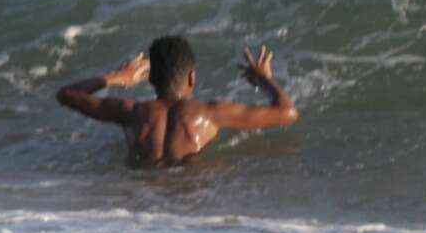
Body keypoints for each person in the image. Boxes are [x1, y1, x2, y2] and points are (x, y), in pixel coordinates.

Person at [56, 36, 295, 166]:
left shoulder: (131, 112)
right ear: (192, 77)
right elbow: (287, 112)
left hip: (140, 206)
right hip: (190, 206)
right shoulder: (210, 113)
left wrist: (119, 77)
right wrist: (263, 79)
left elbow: (67, 94)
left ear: (150, 79)